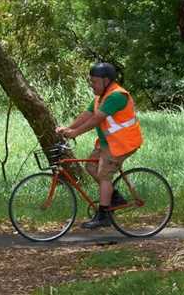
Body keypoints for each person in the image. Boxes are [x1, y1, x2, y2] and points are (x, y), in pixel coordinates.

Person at [55, 62, 142, 229]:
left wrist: (75, 133)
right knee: (90, 167)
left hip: (122, 144)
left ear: (106, 80)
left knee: (103, 175)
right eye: (91, 81)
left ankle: (104, 216)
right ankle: (114, 197)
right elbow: (88, 114)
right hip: (108, 143)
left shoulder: (116, 96)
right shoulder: (100, 97)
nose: (91, 85)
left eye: (94, 81)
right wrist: (69, 128)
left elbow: (97, 119)